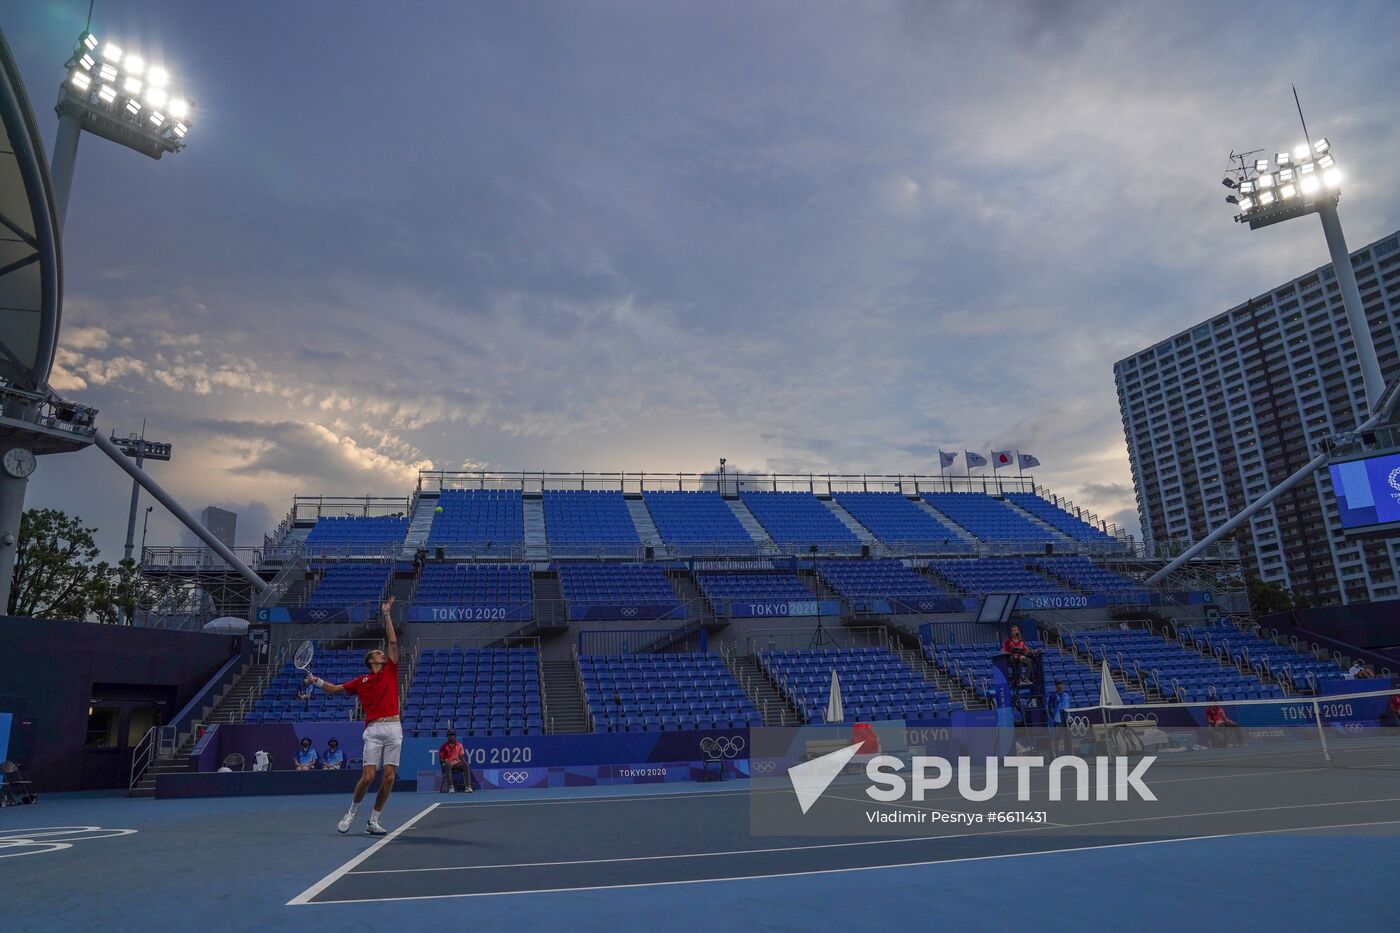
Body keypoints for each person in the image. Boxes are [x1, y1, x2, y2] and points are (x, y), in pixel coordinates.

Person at [306, 596, 402, 836]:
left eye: (382, 652)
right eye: (378, 653)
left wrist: (387, 614)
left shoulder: (390, 670)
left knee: (389, 778)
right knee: (368, 776)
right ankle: (352, 811)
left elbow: (392, 640)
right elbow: (335, 689)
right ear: (371, 660)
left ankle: (374, 820)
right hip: (373, 730)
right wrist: (316, 681)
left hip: (394, 728)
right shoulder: (361, 681)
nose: (383, 654)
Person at [1046, 679, 1072, 754]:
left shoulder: (1066, 695)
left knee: (1068, 736)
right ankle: (1058, 753)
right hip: (1058, 718)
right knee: (1059, 736)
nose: (1060, 685)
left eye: (1061, 684)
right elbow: (1050, 708)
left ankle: (1069, 751)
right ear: (1056, 686)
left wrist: (1069, 717)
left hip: (1067, 718)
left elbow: (1068, 706)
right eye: (1058, 684)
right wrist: (1054, 717)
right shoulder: (1053, 696)